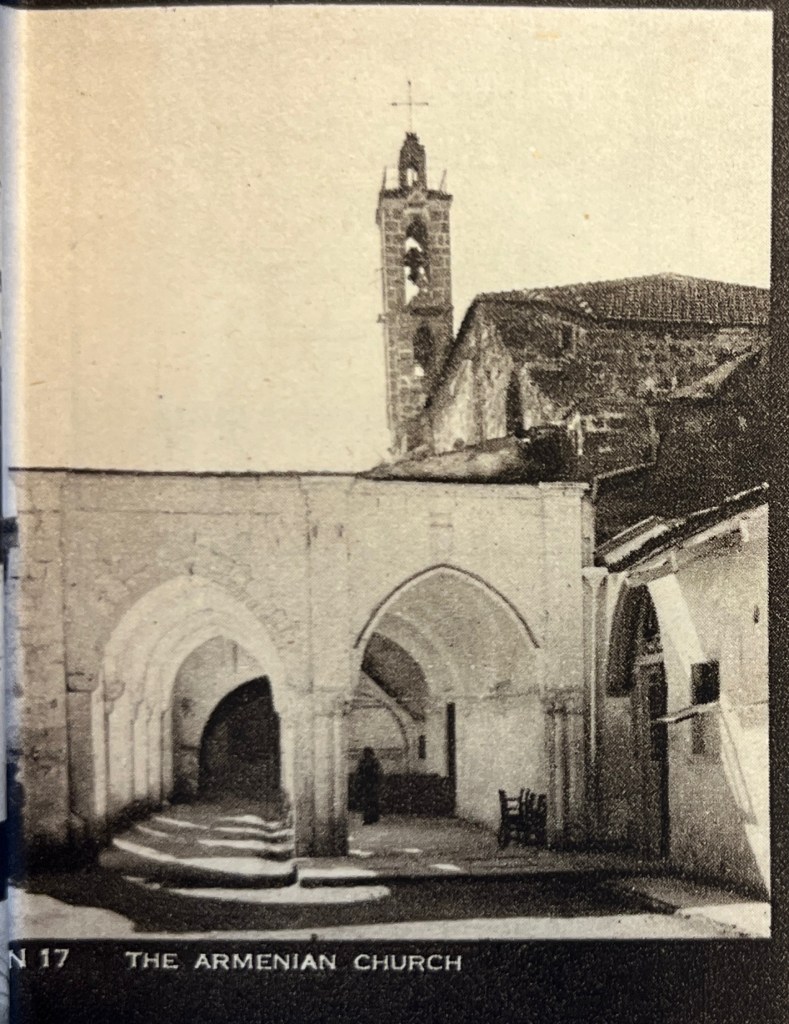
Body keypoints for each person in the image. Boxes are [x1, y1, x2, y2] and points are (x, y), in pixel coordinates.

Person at [356, 747, 382, 825]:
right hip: (367, 784)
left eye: (366, 752)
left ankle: (372, 818)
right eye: (365, 753)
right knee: (368, 802)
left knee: (371, 802)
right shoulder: (364, 761)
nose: (365, 754)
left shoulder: (373, 761)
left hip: (371, 784)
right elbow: (359, 772)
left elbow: (378, 773)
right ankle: (368, 818)